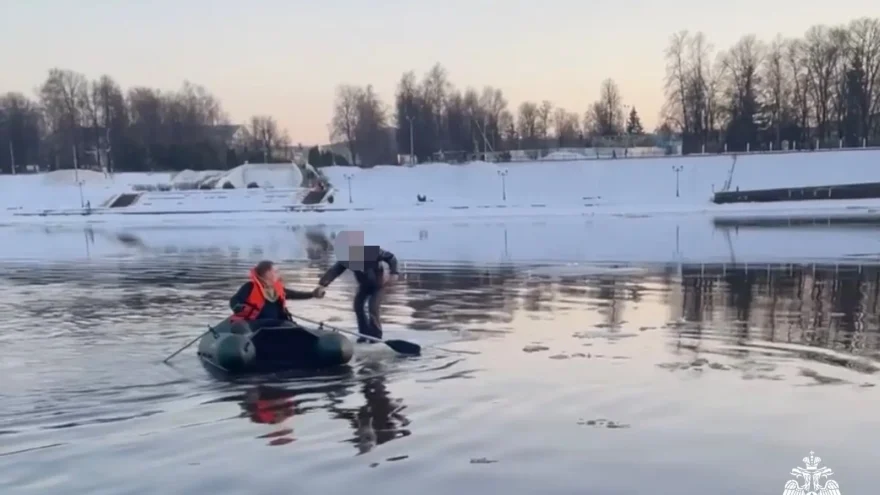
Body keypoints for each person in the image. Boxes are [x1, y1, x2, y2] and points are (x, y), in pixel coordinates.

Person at [313, 236, 399, 343]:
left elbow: (391, 258)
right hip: (364, 285)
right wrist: (322, 285)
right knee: (358, 306)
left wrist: (394, 273)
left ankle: (376, 336)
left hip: (378, 285)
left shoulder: (371, 252)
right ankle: (363, 334)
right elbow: (334, 271)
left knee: (372, 308)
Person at [229, 260, 322, 331]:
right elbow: (234, 301)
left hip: (276, 324)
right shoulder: (250, 286)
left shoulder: (276, 289)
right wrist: (238, 307)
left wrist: (312, 294)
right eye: (275, 271)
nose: (278, 274)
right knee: (284, 324)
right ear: (267, 273)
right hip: (255, 324)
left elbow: (294, 294)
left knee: (288, 325)